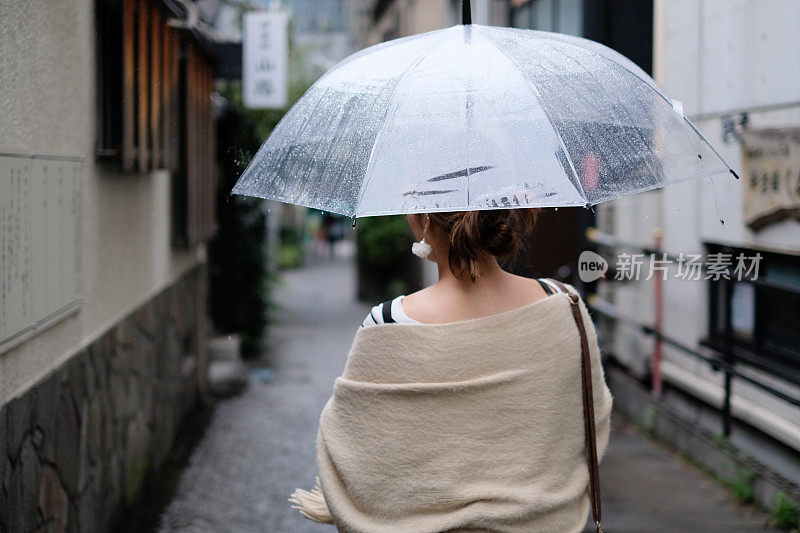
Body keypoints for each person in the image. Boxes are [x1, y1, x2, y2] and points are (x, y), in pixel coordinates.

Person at [290, 209, 613, 533]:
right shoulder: (564, 304)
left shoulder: (389, 322)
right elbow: (590, 420)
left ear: (425, 220)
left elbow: (353, 449)